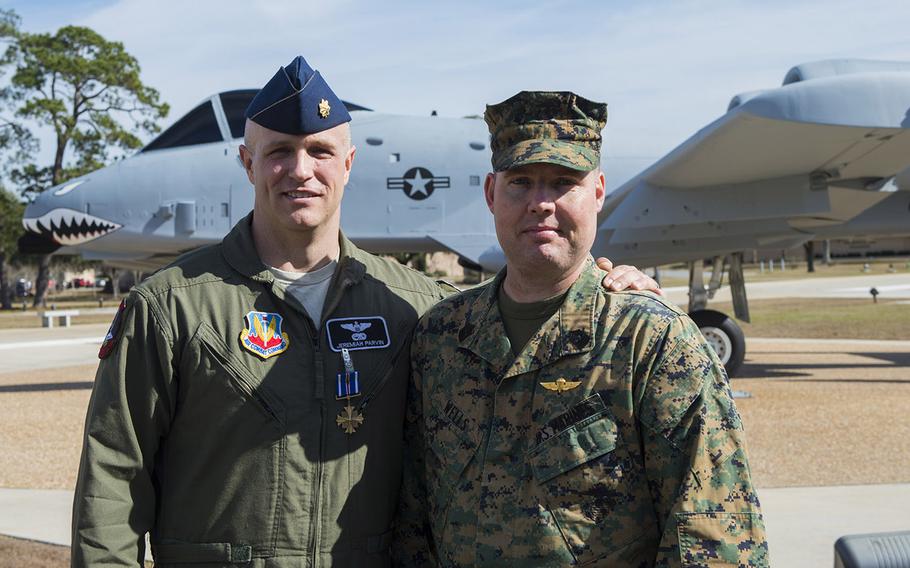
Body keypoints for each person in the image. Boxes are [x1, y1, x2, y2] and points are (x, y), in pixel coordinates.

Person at [71, 59, 659, 567]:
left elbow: (521, 356)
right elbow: (113, 480)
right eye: (279, 152)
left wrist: (608, 288)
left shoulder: (418, 309)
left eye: (320, 151)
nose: (301, 170)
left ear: (349, 163)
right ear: (247, 163)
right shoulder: (172, 305)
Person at [395, 91, 768, 567]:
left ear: (597, 193)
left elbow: (713, 538)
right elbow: (413, 520)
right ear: (491, 193)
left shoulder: (652, 342)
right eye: (520, 182)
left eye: (563, 183)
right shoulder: (441, 339)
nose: (540, 203)